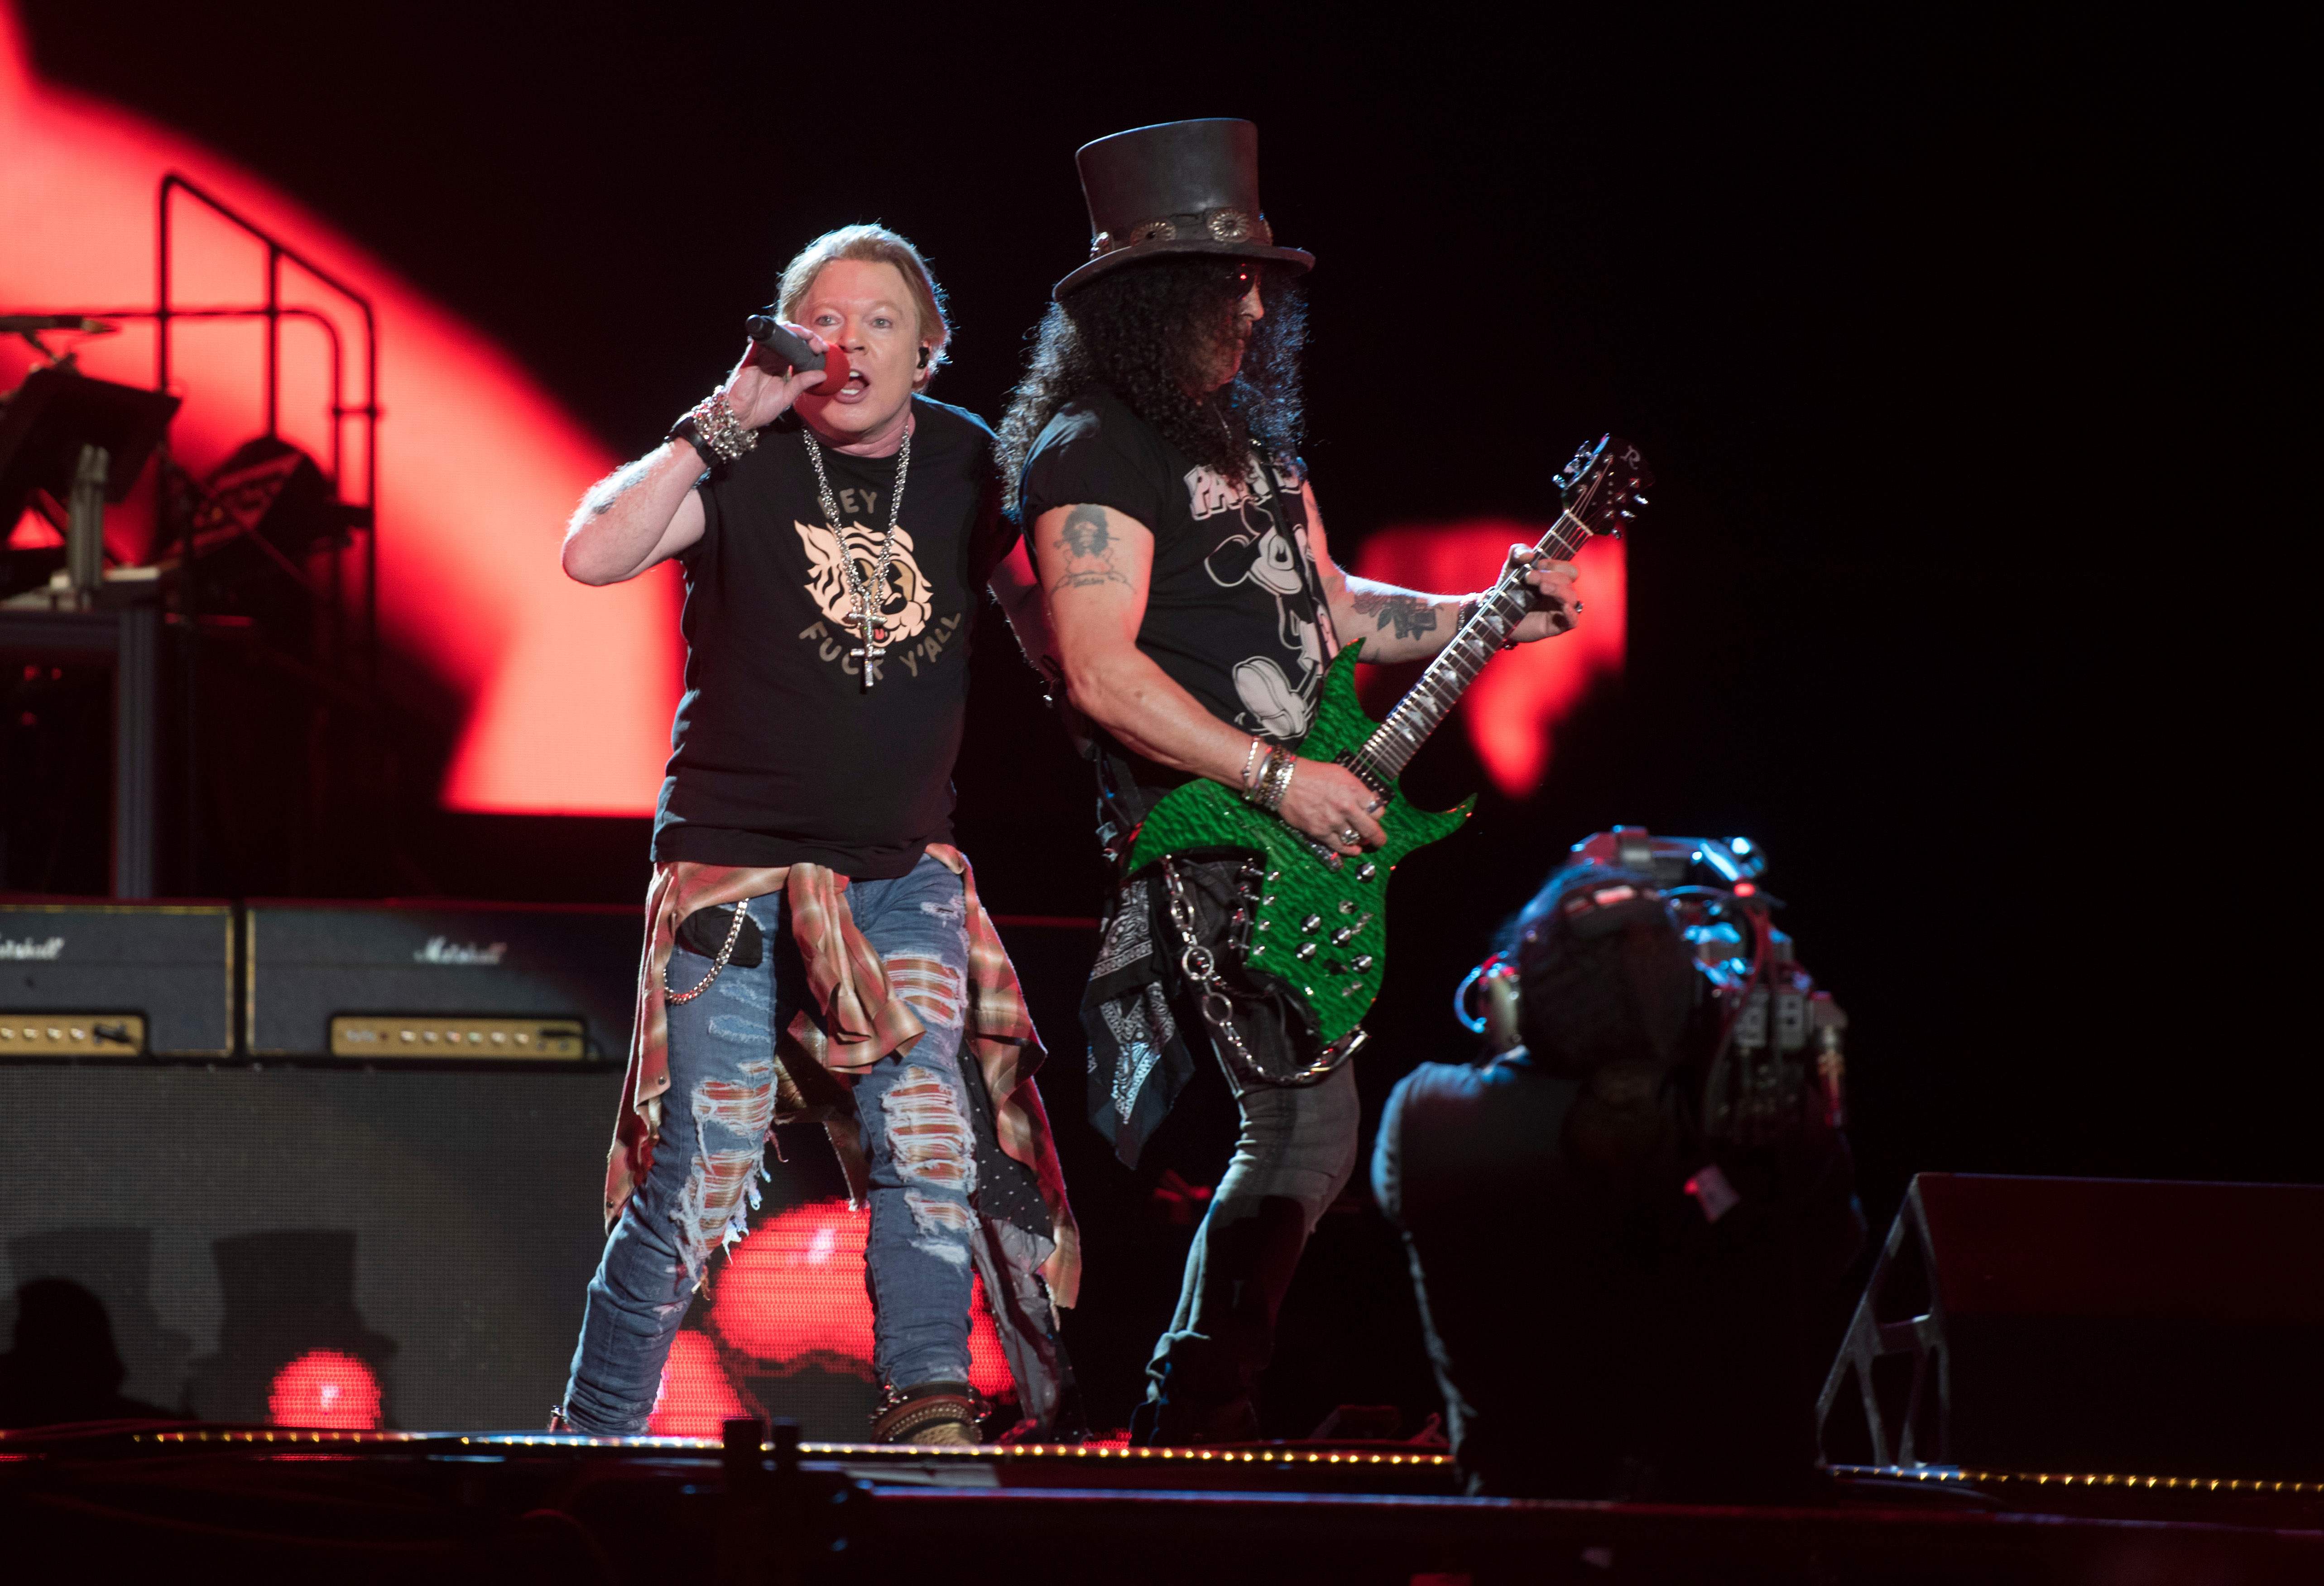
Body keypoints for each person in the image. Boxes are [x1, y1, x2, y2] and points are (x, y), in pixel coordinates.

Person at [993, 120, 1580, 1444]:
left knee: (1308, 1139)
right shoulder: (1088, 450)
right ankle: (1190, 1404)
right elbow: (1096, 671)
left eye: (1261, 278)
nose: (1256, 303)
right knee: (1303, 1134)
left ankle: (1197, 1395)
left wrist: (1483, 612)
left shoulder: (1250, 447)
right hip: (1208, 832)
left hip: (1293, 823)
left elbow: (1334, 612)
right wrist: (1279, 777)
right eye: (1232, 280)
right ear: (1160, 297)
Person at [555, 225, 1077, 1445]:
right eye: (822, 322)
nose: (849, 344)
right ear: (787, 345)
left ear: (928, 352)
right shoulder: (744, 459)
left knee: (928, 1134)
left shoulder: (964, 464)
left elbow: (1048, 631)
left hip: (896, 873)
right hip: (733, 869)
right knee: (709, 1156)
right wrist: (714, 424)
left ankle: (928, 1412)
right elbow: (591, 552)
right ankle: (593, 1439)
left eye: (880, 323)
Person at [1372, 843, 1866, 1497]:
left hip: (1526, 1538)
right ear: (1690, 997)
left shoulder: (1428, 1116)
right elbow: (1835, 1254)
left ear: (1518, 994)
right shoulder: (1765, 1126)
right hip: (1740, 1542)